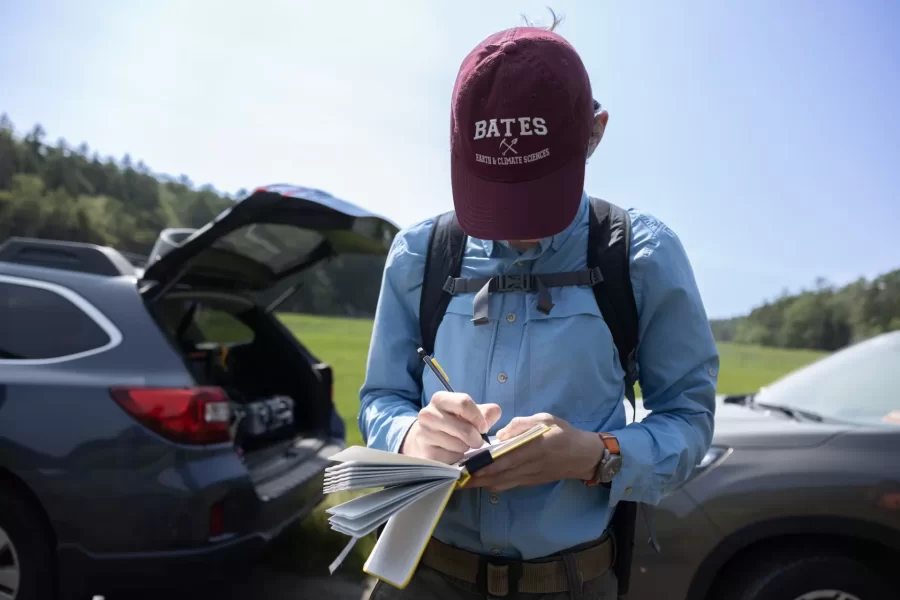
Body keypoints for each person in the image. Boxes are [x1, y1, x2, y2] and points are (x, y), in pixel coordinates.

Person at [358, 16, 718, 600]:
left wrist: (594, 456)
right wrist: (409, 437)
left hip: (573, 582)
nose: (516, 235)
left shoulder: (640, 255)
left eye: (537, 196)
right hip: (423, 575)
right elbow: (381, 398)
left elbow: (689, 418)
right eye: (496, 198)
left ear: (595, 133)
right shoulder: (419, 254)